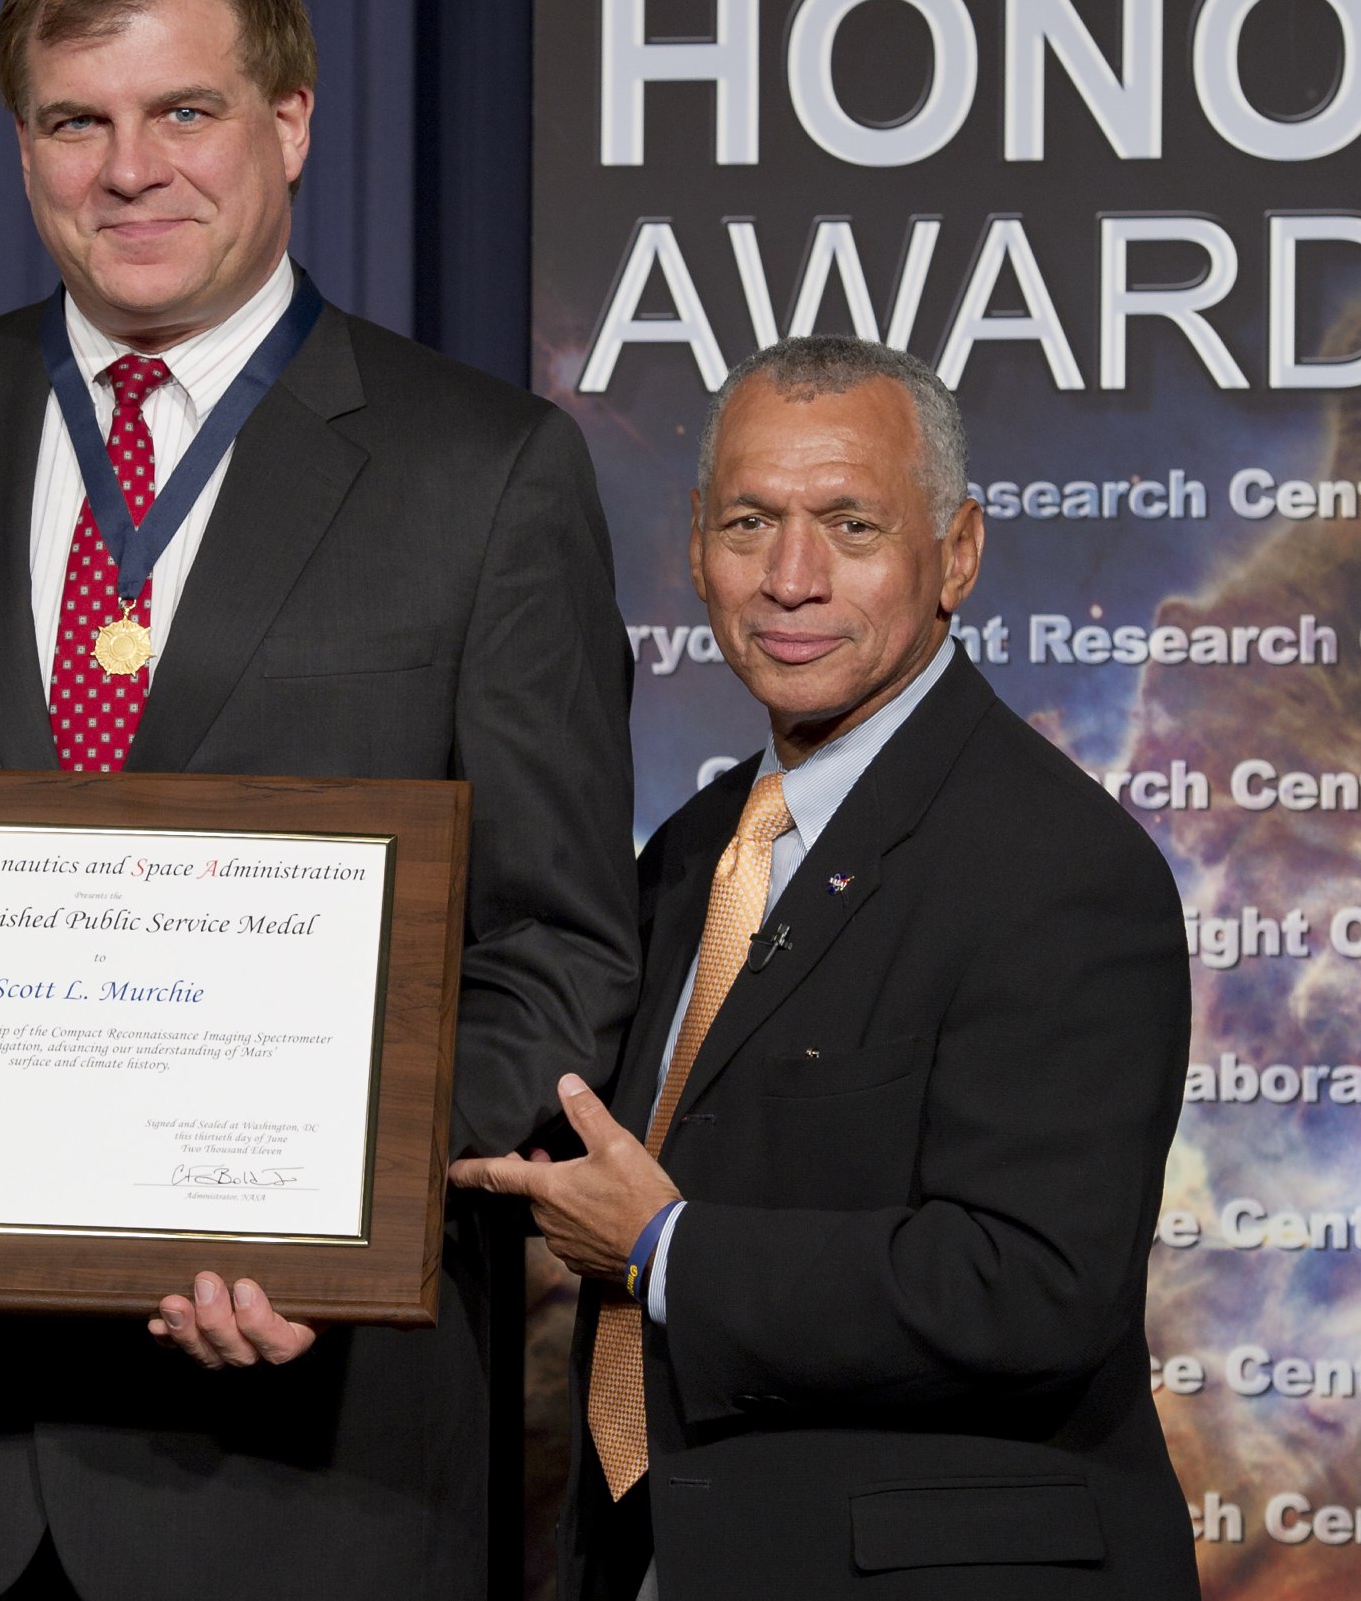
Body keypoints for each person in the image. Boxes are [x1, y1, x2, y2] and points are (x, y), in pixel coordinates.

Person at [0, 0, 641, 1601]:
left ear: (289, 121)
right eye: (77, 121)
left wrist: (324, 1208)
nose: (128, 168)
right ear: (23, 150)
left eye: (184, 111)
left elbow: (556, 945)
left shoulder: (482, 470)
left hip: (311, 1477)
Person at [451, 335, 1197, 1601]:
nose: (791, 578)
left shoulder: (1057, 865)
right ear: (695, 543)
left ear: (956, 552)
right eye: (751, 522)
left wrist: (667, 1247)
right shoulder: (693, 851)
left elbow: (1034, 1289)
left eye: (851, 525)